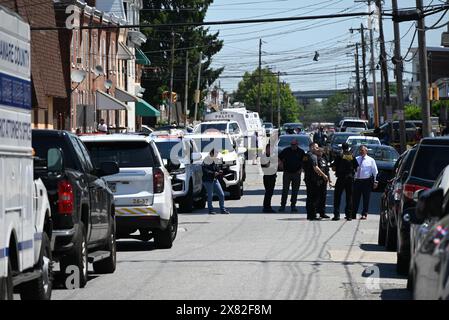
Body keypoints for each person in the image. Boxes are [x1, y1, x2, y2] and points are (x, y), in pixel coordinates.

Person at [331, 142, 359, 221]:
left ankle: (337, 215)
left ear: (342, 148)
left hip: (341, 178)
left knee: (337, 197)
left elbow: (333, 167)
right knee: (349, 197)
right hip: (350, 178)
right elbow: (356, 167)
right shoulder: (351, 156)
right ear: (348, 148)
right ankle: (349, 215)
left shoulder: (339, 156)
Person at [303, 142, 330, 220]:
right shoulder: (312, 156)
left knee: (312, 197)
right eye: (316, 147)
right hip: (312, 180)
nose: (317, 148)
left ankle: (313, 214)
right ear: (311, 147)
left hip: (310, 179)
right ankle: (312, 215)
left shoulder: (306, 155)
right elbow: (316, 168)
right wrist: (324, 175)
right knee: (313, 198)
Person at [278, 138, 305, 212]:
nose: (293, 146)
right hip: (287, 173)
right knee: (285, 190)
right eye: (292, 145)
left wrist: (301, 169)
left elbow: (305, 161)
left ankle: (293, 206)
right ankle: (282, 206)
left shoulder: (301, 152)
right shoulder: (286, 150)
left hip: (297, 173)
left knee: (295, 191)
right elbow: (279, 158)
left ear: (297, 144)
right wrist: (280, 165)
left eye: (294, 145)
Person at [353, 145, 378, 220]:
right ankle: (353, 213)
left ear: (366, 151)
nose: (361, 152)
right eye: (360, 150)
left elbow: (375, 172)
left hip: (366, 181)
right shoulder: (356, 159)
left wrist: (375, 181)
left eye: (363, 150)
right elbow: (352, 169)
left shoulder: (371, 160)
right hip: (357, 181)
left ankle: (364, 214)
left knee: (366, 198)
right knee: (355, 198)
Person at [202, 149, 230, 215]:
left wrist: (220, 171)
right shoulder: (207, 160)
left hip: (215, 180)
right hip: (208, 180)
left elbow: (216, 168)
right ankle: (210, 210)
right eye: (216, 154)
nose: (217, 155)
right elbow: (205, 169)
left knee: (221, 194)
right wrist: (213, 173)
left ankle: (222, 209)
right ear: (211, 154)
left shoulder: (215, 160)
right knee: (210, 195)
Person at [261, 143, 277, 213]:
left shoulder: (272, 156)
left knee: (270, 192)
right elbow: (267, 165)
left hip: (272, 176)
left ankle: (268, 206)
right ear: (266, 149)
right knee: (268, 192)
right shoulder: (264, 156)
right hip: (267, 176)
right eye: (269, 149)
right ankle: (266, 207)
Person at [316, 147, 331, 219]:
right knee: (317, 197)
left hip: (324, 180)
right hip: (317, 180)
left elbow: (327, 170)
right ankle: (315, 212)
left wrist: (329, 180)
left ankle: (322, 212)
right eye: (319, 151)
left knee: (323, 197)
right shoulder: (315, 159)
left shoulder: (324, 159)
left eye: (321, 151)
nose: (320, 152)